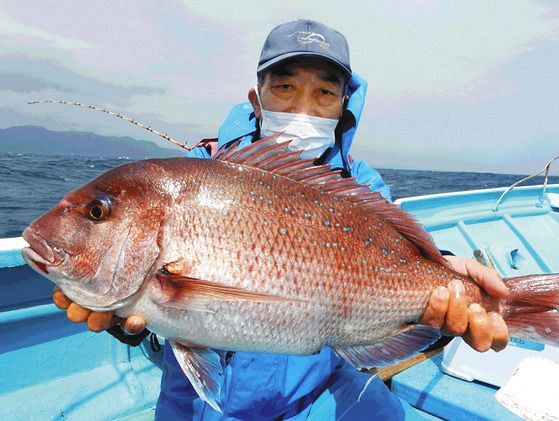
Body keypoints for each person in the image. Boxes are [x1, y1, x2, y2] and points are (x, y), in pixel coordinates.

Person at [53, 19, 510, 420]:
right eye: (284, 87)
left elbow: (394, 255)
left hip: (315, 397)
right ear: (257, 98)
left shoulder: (362, 187)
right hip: (194, 405)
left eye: (325, 92)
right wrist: (120, 316)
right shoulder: (192, 173)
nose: (302, 108)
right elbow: (150, 297)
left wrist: (447, 273)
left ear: (344, 107)